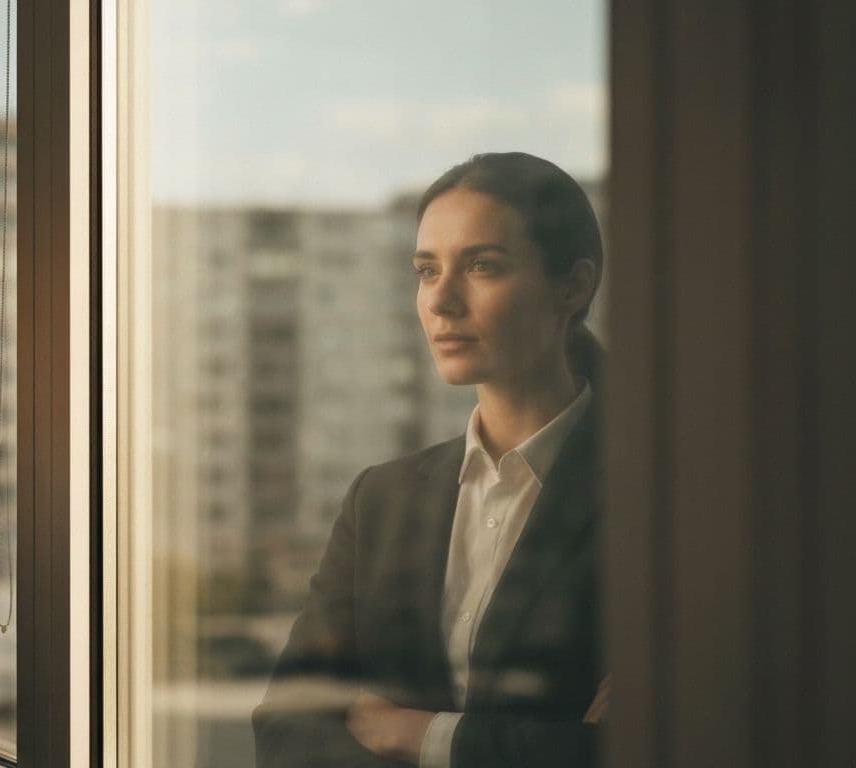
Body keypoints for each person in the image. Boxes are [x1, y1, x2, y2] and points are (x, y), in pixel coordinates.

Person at [253, 152, 606, 767]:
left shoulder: (663, 495)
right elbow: (286, 731)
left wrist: (415, 734)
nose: (441, 300)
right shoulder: (382, 500)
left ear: (572, 287)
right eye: (425, 270)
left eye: (483, 266)